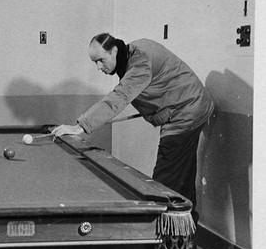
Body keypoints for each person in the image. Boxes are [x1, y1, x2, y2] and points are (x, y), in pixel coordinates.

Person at [51, 33, 214, 230]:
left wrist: (80, 126)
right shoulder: (132, 54)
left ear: (114, 51)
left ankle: (160, 244)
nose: (99, 67)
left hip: (187, 112)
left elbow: (120, 96)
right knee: (181, 179)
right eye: (95, 62)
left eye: (101, 60)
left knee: (164, 185)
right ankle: (186, 238)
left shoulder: (140, 61)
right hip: (189, 107)